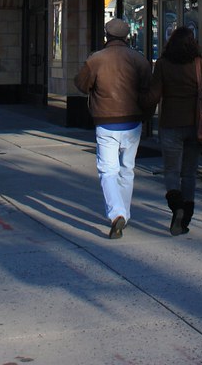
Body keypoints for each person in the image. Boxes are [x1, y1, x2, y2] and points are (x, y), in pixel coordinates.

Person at [74, 18, 151, 239]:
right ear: (127, 36)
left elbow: (81, 84)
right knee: (127, 169)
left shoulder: (96, 60)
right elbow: (148, 89)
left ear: (107, 36)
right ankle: (124, 214)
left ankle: (116, 213)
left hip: (106, 122)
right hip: (133, 122)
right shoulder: (139, 60)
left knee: (108, 170)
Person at [143, 26, 202, 236]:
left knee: (171, 170)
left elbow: (154, 95)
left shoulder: (163, 65)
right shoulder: (200, 64)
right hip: (195, 125)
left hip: (169, 124)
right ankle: (187, 215)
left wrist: (140, 104)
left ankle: (176, 207)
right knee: (189, 173)